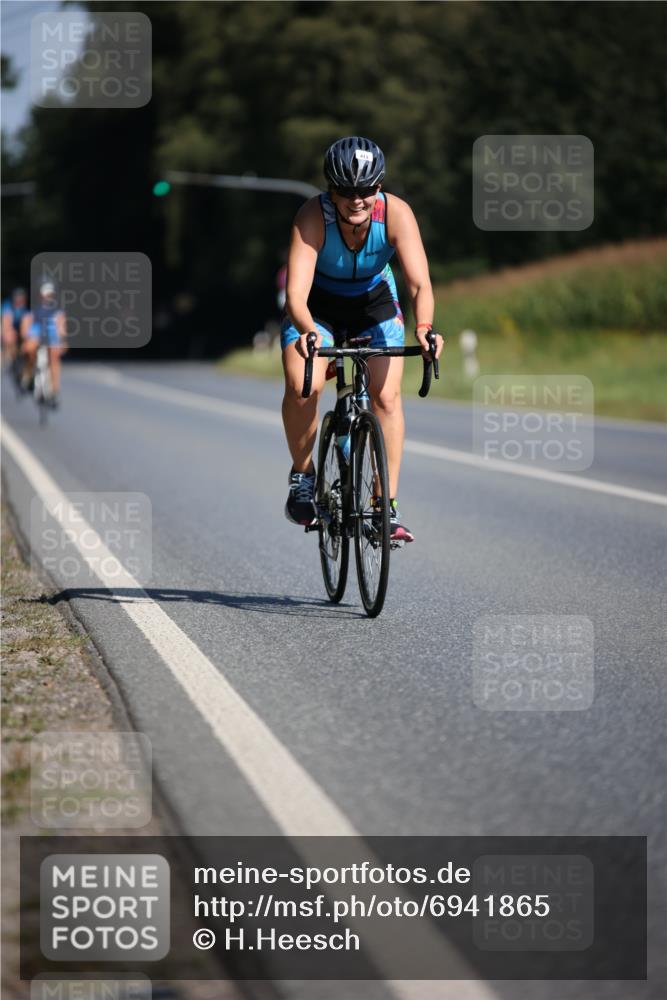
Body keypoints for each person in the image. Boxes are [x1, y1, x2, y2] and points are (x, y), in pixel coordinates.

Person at [281, 135, 443, 542]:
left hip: (374, 304)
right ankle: (303, 476)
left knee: (387, 398)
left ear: (379, 186)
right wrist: (307, 332)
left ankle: (383, 506)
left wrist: (424, 329)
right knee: (306, 386)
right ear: (330, 189)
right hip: (316, 308)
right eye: (346, 190)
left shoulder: (397, 215)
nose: (357, 200)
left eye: (367, 190)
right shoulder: (312, 217)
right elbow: (296, 295)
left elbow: (420, 285)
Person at [21, 281, 68, 406]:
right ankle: (28, 377)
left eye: (50, 295)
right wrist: (26, 338)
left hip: (51, 335)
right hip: (37, 333)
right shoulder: (35, 309)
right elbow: (27, 322)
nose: (48, 297)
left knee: (54, 356)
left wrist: (62, 340)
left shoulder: (57, 310)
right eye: (45, 295)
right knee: (30, 349)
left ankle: (54, 391)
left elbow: (61, 325)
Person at [1, 287, 29, 372]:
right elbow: (6, 322)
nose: (19, 301)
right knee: (9, 336)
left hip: (18, 328)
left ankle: (17, 357)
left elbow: (25, 322)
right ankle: (8, 359)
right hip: (6, 327)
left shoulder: (24, 308)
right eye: (17, 298)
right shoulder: (7, 305)